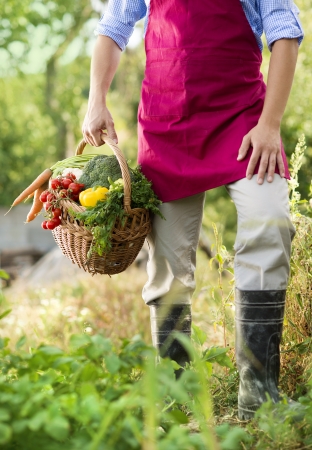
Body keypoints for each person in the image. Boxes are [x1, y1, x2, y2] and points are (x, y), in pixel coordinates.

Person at [82, 0, 304, 420]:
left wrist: (270, 124)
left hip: (244, 121)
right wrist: (96, 101)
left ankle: (259, 395)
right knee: (167, 266)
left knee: (270, 222)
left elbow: (285, 33)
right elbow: (113, 28)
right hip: (167, 125)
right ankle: (175, 398)